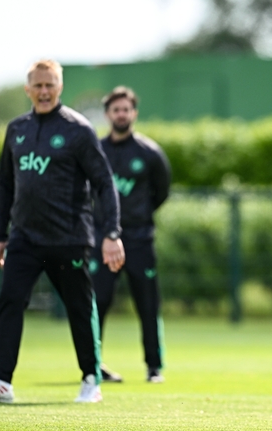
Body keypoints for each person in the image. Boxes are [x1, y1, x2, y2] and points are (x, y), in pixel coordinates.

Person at [0, 59, 125, 404]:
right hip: (24, 237)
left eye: (50, 85)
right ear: (28, 89)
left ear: (60, 88)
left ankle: (90, 378)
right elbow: (5, 184)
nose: (44, 91)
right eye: (38, 85)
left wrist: (112, 233)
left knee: (79, 307)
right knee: (10, 300)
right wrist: (0, 235)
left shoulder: (78, 129)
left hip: (69, 238)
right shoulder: (16, 129)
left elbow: (104, 182)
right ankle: (2, 381)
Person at [90, 86, 171, 384]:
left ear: (134, 113)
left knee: (147, 303)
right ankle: (93, 366)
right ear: (108, 114)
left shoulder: (149, 153)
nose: (121, 114)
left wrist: (137, 219)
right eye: (116, 110)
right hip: (102, 240)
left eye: (126, 109)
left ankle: (154, 367)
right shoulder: (96, 151)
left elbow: (161, 192)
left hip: (139, 240)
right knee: (97, 302)